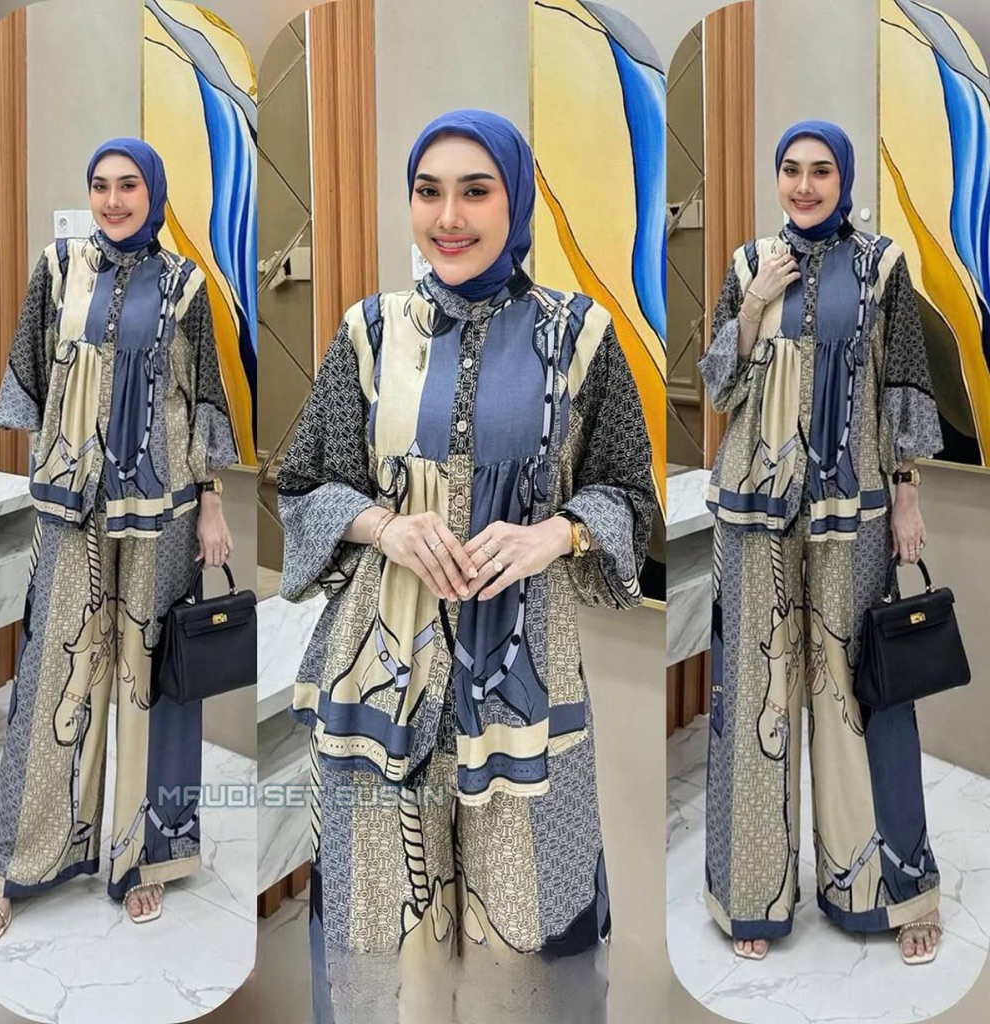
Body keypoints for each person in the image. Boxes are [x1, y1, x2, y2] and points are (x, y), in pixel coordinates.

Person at [276, 109, 654, 1022]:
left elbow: (630, 495)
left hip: (526, 678)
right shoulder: (368, 332)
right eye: (428, 191)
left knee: (526, 929)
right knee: (385, 931)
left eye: (475, 192)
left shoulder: (580, 337)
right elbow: (303, 484)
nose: (448, 216)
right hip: (380, 671)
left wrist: (553, 535)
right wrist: (382, 527)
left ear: (513, 201)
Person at [0, 138, 237, 944]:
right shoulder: (57, 269)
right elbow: (30, 375)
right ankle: (17, 864)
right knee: (53, 679)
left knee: (150, 684)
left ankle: (143, 860)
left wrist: (213, 504)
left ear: (152, 192)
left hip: (164, 509)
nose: (113, 199)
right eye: (100, 185)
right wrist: (62, 459)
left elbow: (202, 397)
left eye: (128, 186)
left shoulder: (186, 284)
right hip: (71, 510)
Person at [698, 120, 943, 965]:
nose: (804, 185)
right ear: (777, 178)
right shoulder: (747, 264)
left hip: (854, 513)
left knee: (859, 697)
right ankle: (752, 898)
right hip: (753, 516)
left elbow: (901, 386)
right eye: (792, 170)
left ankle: (891, 893)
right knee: (756, 700)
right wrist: (755, 301)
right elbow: (718, 385)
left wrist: (906, 495)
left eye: (821, 171)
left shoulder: (882, 266)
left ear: (843, 179)